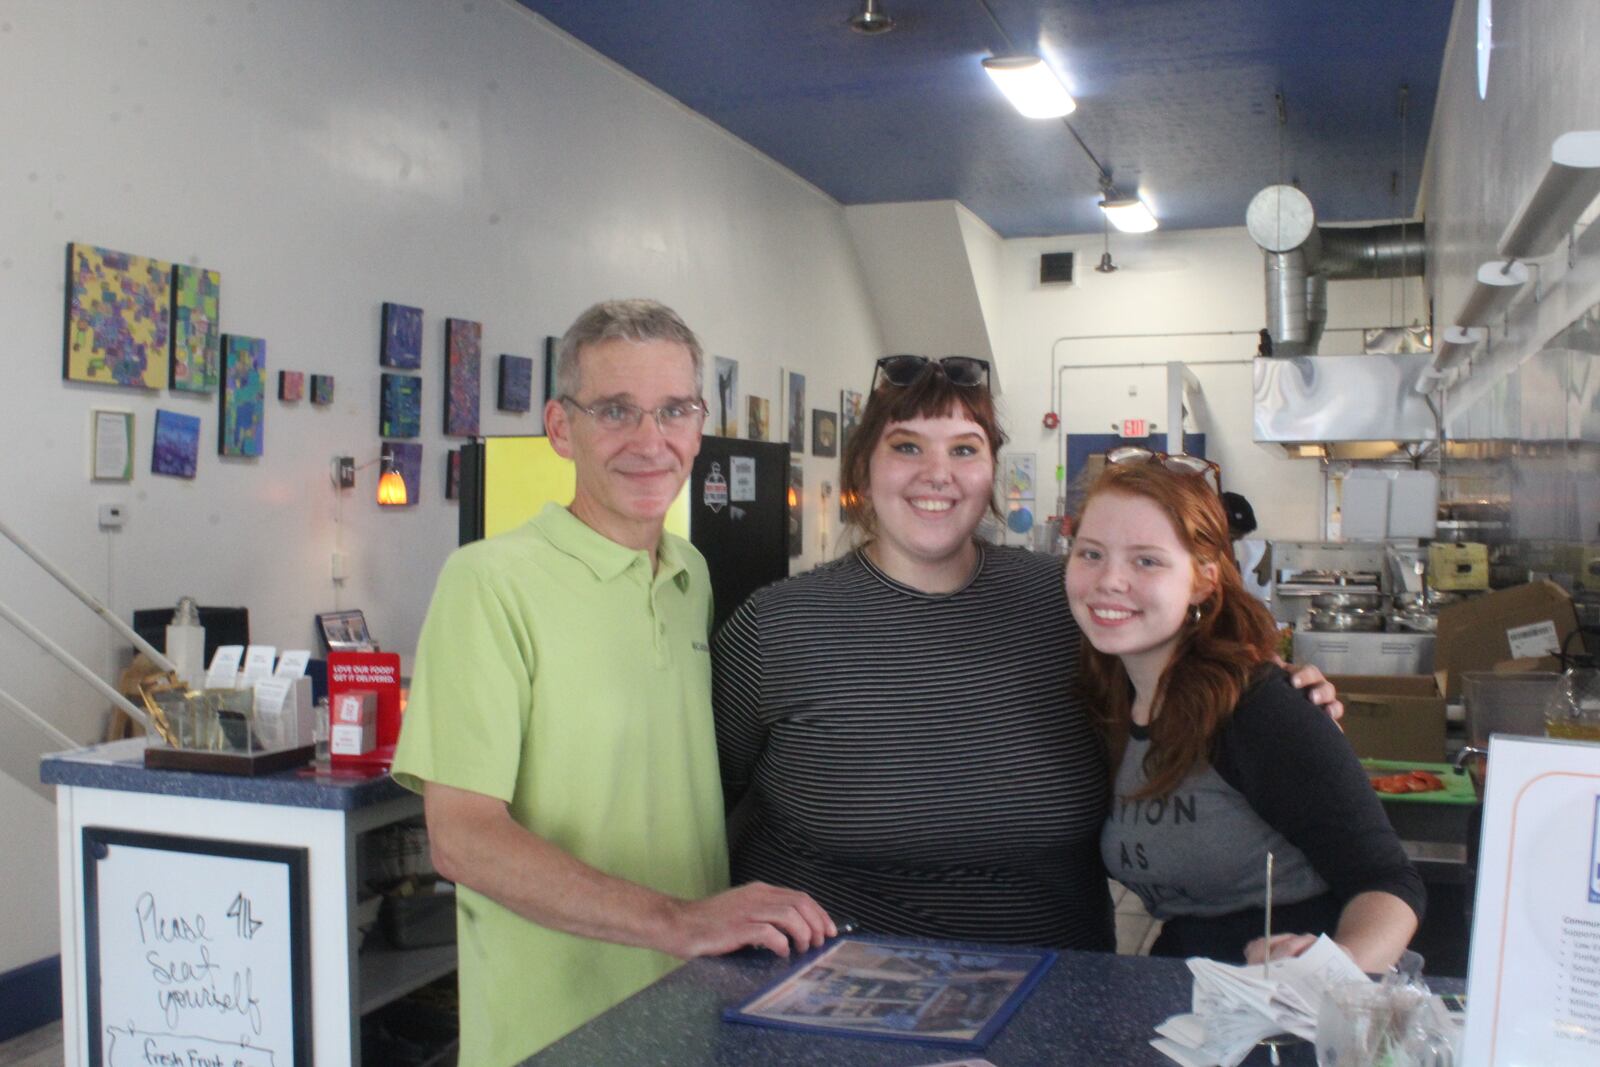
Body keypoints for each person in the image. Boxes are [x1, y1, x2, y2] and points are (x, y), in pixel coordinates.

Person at [713, 355, 1340, 951]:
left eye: (965, 449)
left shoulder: (1070, 600)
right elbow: (705, 808)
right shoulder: (776, 628)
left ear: (991, 473)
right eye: (907, 446)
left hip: (1049, 992)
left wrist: (1276, 692)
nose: (938, 473)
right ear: (863, 471)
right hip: (828, 992)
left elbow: (1193, 673)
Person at [391, 299, 833, 1065]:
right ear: (562, 428)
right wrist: (680, 920)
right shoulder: (488, 583)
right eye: (617, 411)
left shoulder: (690, 574)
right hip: (557, 1035)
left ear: (700, 425)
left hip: (693, 1010)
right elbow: (462, 837)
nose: (649, 440)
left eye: (673, 411)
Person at [1064, 453, 1422, 970]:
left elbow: (1389, 882)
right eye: (1091, 553)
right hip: (1191, 979)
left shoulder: (1256, 708)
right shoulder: (1109, 700)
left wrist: (1335, 967)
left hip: (1290, 995)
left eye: (1147, 560)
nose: (1109, 580)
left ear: (1205, 581)